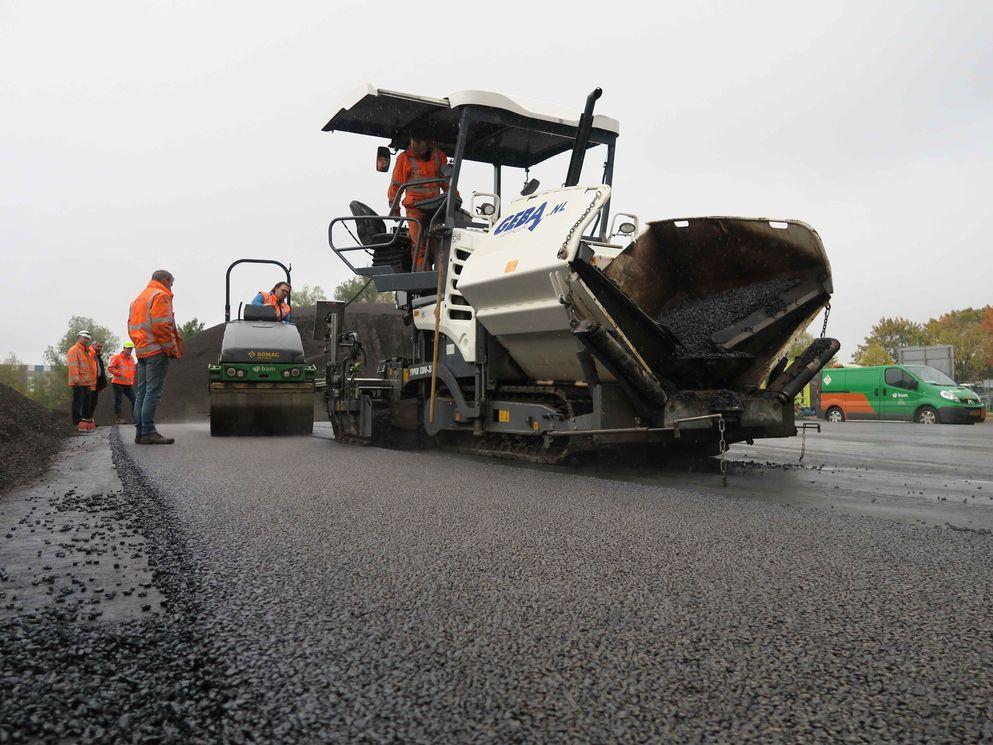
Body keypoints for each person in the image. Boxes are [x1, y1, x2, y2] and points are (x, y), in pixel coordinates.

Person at [128, 269, 183, 445]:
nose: (171, 287)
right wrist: (170, 349)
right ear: (166, 280)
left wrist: (140, 346)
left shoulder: (138, 299)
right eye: (171, 283)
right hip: (156, 351)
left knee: (142, 393)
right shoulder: (160, 295)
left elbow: (131, 327)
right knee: (152, 393)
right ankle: (148, 432)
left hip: (142, 351)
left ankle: (140, 433)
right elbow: (162, 326)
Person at [387, 132, 453, 271]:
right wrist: (395, 210)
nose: (415, 150)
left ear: (428, 143)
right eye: (413, 145)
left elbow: (447, 182)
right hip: (414, 209)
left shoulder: (438, 156)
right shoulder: (403, 159)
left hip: (435, 208)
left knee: (440, 242)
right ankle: (424, 279)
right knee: (419, 246)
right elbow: (395, 185)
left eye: (419, 146)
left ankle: (442, 276)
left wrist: (454, 199)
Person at [67, 330, 97, 430]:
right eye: (84, 338)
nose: (86, 340)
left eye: (87, 339)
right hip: (79, 381)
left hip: (86, 381)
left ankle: (84, 419)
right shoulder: (74, 350)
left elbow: (90, 367)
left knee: (86, 401)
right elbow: (73, 366)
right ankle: (76, 420)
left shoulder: (86, 350)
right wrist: (76, 380)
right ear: (78, 337)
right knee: (78, 401)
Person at [108, 341, 137, 424]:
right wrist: (120, 374)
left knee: (135, 400)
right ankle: (119, 418)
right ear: (124, 348)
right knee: (119, 400)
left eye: (131, 348)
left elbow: (132, 371)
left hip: (128, 384)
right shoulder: (117, 357)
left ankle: (136, 418)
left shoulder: (132, 359)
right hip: (117, 382)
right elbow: (110, 368)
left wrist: (131, 379)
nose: (130, 350)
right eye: (128, 348)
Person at [84, 341, 108, 423]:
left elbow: (101, 371)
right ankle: (86, 419)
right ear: (93, 346)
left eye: (101, 347)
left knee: (94, 401)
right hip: (89, 382)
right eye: (98, 346)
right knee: (89, 401)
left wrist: (102, 384)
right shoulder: (89, 354)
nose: (100, 348)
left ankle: (89, 418)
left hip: (96, 382)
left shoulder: (97, 357)